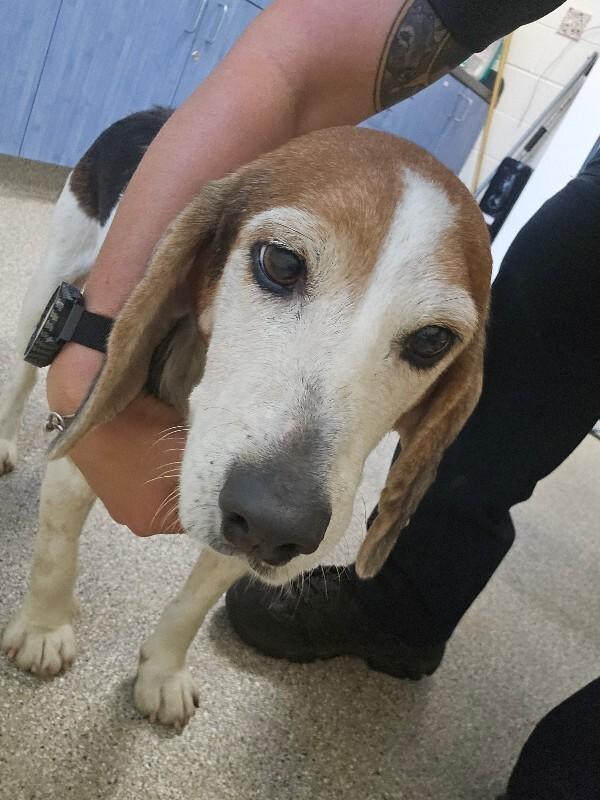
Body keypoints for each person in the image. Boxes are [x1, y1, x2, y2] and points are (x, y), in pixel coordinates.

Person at [45, 1, 599, 796]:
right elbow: (297, 55)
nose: (283, 510)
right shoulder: (191, 273)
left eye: (425, 343)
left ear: (441, 397)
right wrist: (88, 353)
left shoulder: (455, 389)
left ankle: (172, 646)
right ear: (201, 273)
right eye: (283, 268)